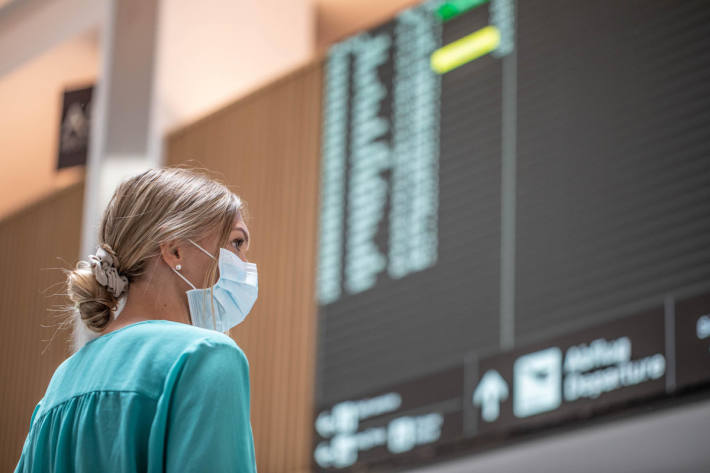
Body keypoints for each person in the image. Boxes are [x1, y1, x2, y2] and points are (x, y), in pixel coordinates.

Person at [13, 167, 259, 472]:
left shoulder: (60, 386)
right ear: (175, 250)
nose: (245, 264)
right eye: (237, 243)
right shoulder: (205, 357)